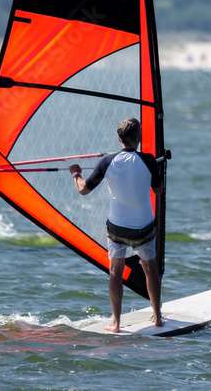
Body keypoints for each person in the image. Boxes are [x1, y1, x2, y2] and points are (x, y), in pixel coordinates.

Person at [70, 117, 163, 332]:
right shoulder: (148, 160)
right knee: (151, 268)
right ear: (139, 137)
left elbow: (83, 189)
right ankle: (158, 318)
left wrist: (76, 173)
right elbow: (157, 190)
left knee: (115, 270)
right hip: (144, 228)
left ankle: (116, 323)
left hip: (117, 228)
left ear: (119, 138)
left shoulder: (107, 161)